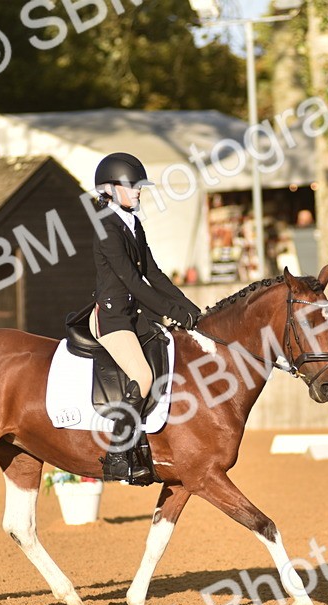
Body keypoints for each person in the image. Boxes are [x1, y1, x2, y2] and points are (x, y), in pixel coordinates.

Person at [90, 151, 201, 484]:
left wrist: (188, 306)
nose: (139, 191)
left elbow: (153, 272)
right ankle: (116, 454)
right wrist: (171, 311)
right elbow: (132, 281)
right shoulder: (106, 227)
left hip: (134, 317)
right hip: (111, 319)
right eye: (132, 186)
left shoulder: (133, 223)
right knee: (141, 375)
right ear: (110, 189)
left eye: (140, 186)